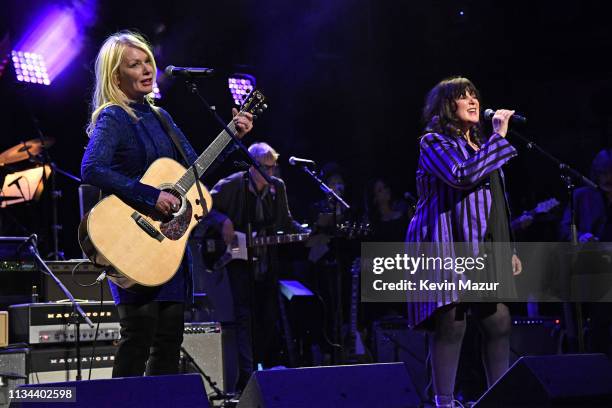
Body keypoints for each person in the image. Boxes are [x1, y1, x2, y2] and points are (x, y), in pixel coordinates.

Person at [81, 31, 253, 378]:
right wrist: (150, 195)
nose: (146, 70)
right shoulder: (114, 116)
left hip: (166, 249)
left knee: (168, 346)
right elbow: (91, 167)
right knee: (138, 338)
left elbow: (195, 172)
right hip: (131, 243)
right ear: (117, 76)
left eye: (148, 61)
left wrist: (232, 136)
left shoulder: (162, 117)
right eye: (135, 65)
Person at [405, 77, 522, 407]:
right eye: (462, 97)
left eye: (474, 95)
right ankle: (443, 401)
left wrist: (508, 247)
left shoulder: (483, 145)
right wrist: (498, 137)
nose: (473, 101)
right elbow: (461, 176)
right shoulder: (433, 142)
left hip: (483, 246)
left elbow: (499, 200)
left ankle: (500, 398)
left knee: (498, 319)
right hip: (444, 242)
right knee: (452, 321)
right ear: (446, 106)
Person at [205, 142, 307, 391]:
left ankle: (262, 372)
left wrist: (307, 232)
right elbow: (203, 204)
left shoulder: (277, 187)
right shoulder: (232, 184)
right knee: (243, 316)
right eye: (266, 168)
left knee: (268, 317)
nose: (270, 173)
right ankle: (246, 379)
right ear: (252, 166)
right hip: (236, 258)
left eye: (273, 168)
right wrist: (223, 220)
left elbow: (286, 221)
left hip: (265, 261)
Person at [559, 148, 612, 357]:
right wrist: (580, 236)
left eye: (611, 172)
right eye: (603, 172)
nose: (608, 178)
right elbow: (563, 228)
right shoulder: (582, 196)